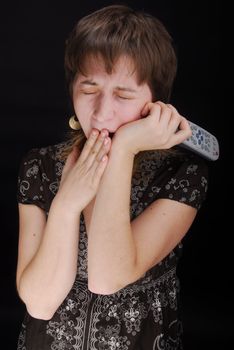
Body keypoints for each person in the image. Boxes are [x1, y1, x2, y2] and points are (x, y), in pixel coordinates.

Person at [16, 4, 209, 350]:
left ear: (155, 103)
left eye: (123, 95)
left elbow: (107, 277)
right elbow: (39, 303)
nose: (102, 113)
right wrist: (66, 205)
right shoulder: (39, 166)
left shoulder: (182, 174)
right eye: (89, 89)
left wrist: (123, 150)